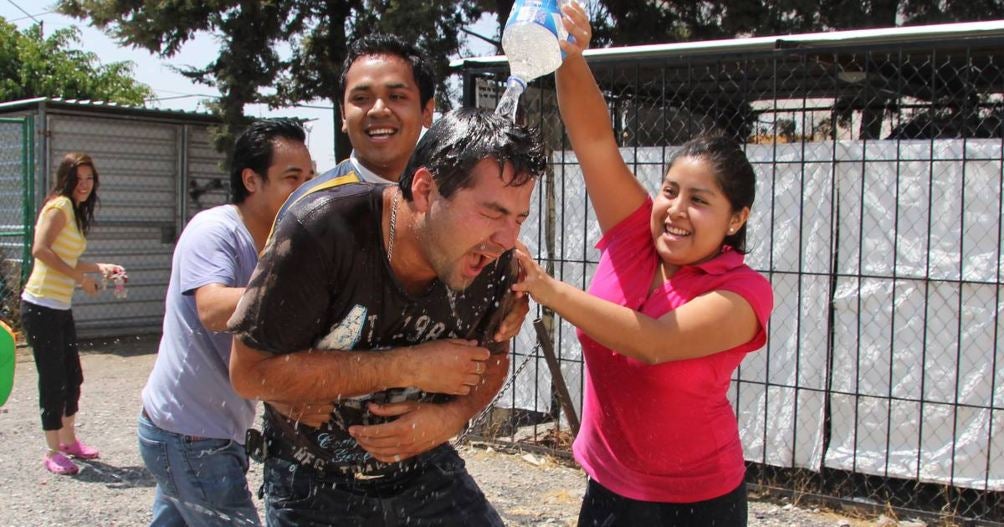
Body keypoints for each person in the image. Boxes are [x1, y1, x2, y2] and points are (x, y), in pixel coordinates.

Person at [510, 4, 775, 526]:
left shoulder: (744, 293)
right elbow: (593, 142)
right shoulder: (636, 236)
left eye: (700, 201)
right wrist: (568, 53)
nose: (675, 210)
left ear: (736, 218)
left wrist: (544, 286)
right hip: (608, 485)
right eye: (670, 190)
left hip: (699, 501)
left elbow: (652, 342)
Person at [227, 108, 546, 526]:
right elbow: (249, 374)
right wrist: (407, 366)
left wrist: (451, 417)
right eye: (492, 213)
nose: (507, 239)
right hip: (313, 482)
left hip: (424, 469)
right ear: (426, 189)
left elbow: (494, 360)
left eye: (518, 218)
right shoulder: (321, 232)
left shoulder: (495, 259)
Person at [137, 119, 314, 526]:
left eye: (309, 176)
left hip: (205, 431)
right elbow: (214, 308)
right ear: (251, 180)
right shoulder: (214, 230)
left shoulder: (279, 242)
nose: (305, 189)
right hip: (189, 435)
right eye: (292, 177)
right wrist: (301, 299)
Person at [20, 152, 125, 475]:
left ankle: (68, 441)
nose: (84, 185)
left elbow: (66, 258)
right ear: (66, 180)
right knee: (53, 380)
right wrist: (81, 279)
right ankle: (52, 451)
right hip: (40, 306)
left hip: (59, 307)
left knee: (72, 377)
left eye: (89, 179)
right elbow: (40, 250)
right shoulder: (60, 207)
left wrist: (98, 268)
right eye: (78, 179)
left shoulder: (75, 211)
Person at [274, 33, 436, 229]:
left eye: (396, 96)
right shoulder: (310, 211)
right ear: (343, 114)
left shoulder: (447, 199)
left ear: (427, 112)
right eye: (361, 98)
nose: (378, 110)